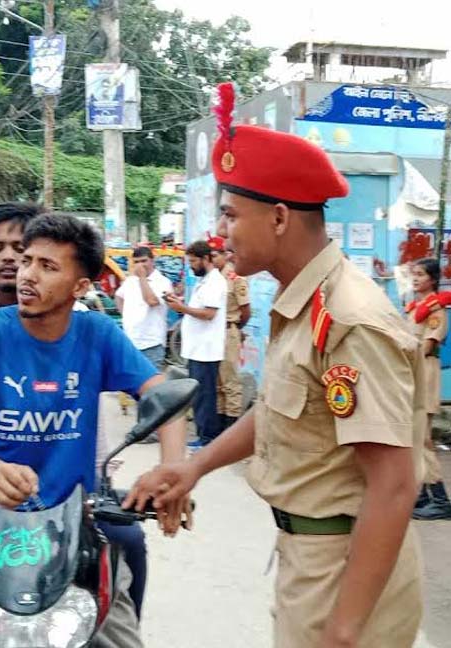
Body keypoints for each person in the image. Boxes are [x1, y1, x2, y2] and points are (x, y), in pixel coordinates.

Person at [130, 83, 425, 647]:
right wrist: (193, 468)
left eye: (231, 215)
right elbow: (281, 413)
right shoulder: (305, 304)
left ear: (281, 218)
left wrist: (344, 629)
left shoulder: (348, 319)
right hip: (311, 558)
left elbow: (393, 484)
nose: (220, 233)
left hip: (345, 570)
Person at [0, 214, 189, 648]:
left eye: (48, 267)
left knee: (129, 552)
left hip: (74, 516)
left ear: (80, 287)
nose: (28, 274)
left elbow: (165, 399)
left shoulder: (98, 333)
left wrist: (172, 473)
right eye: (29, 260)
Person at [165, 240, 227, 449]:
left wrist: (181, 307)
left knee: (205, 395)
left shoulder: (215, 282)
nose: (191, 266)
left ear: (205, 259)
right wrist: (179, 303)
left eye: (193, 261)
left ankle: (207, 438)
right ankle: (204, 434)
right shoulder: (206, 281)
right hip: (197, 349)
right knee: (199, 395)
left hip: (206, 350)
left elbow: (209, 314)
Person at [405, 258, 451, 520]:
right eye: (414, 274)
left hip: (424, 375)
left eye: (420, 274)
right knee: (414, 438)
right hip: (413, 376)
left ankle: (440, 499)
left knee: (423, 439)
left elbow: (427, 345)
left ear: (432, 279)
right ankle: (421, 495)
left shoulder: (436, 310)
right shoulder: (415, 308)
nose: (415, 279)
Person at [209, 236, 251, 430]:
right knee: (217, 382)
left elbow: (246, 311)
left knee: (230, 381)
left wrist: (234, 330)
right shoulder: (212, 278)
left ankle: (230, 426)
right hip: (213, 333)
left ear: (225, 255)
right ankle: (218, 426)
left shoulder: (235, 278)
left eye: (215, 255)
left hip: (228, 331)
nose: (211, 259)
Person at [115, 245, 174, 370]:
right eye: (136, 262)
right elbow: (119, 296)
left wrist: (142, 278)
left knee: (151, 386)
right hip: (131, 341)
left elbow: (151, 301)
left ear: (152, 261)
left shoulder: (162, 282)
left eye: (144, 261)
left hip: (152, 343)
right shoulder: (130, 281)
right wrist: (126, 316)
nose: (140, 265)